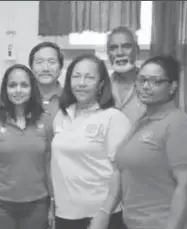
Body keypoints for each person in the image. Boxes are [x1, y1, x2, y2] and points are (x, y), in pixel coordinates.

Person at [90, 55, 187, 229]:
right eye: (142, 80)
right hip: (135, 222)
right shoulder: (142, 122)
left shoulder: (180, 125)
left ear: (172, 87)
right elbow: (121, 170)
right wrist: (104, 213)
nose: (145, 86)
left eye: (155, 81)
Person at [51, 54, 130, 229]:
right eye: (76, 76)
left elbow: (120, 172)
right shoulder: (62, 115)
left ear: (101, 84)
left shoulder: (113, 118)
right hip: (64, 213)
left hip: (101, 215)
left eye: (89, 77)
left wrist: (105, 213)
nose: (81, 83)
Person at [0, 64, 52, 229]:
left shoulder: (45, 121)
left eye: (24, 85)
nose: (18, 90)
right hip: (0, 205)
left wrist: (52, 203)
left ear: (33, 89)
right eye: (12, 85)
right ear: (5, 89)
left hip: (38, 203)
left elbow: (48, 165)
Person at [107, 26, 145, 124]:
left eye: (126, 46)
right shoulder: (101, 87)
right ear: (108, 54)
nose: (120, 53)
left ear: (137, 50)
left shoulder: (151, 85)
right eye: (113, 48)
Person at [29, 41, 64, 127]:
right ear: (31, 68)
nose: (45, 68)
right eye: (39, 62)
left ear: (60, 68)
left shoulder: (70, 99)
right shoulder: (21, 98)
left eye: (51, 62)